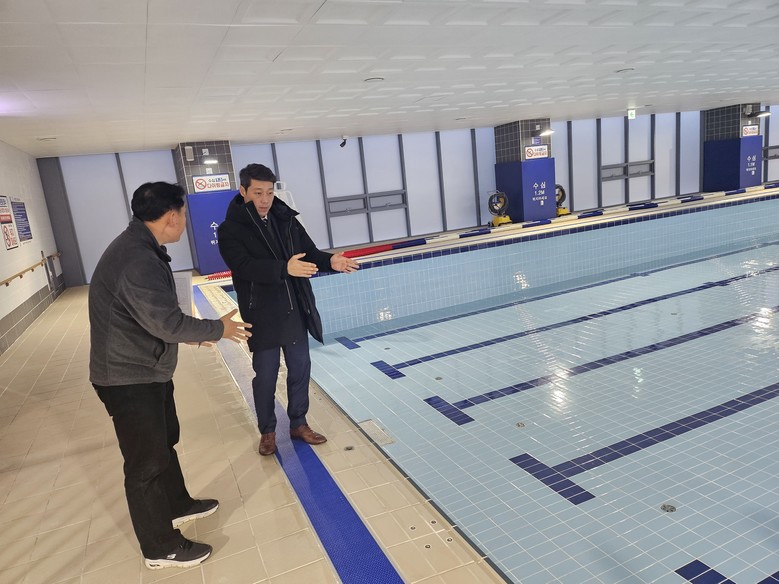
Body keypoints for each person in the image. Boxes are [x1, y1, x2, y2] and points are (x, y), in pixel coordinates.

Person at [89, 181, 252, 570]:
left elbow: (153, 318)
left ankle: (176, 504)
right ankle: (159, 547)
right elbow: (166, 323)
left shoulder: (142, 247)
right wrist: (218, 329)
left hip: (146, 369)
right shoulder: (137, 259)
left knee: (165, 444)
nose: (184, 220)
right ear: (171, 216)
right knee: (145, 464)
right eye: (183, 213)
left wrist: (193, 334)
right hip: (128, 379)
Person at [218, 164, 358, 456]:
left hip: (294, 308)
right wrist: (284, 269)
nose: (265, 199)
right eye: (258, 193)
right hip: (262, 314)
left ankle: (298, 423)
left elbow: (309, 253)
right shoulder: (231, 229)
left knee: (300, 370)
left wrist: (330, 261)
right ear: (243, 191)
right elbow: (244, 266)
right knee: (265, 376)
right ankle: (268, 431)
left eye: (269, 192)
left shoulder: (285, 219)